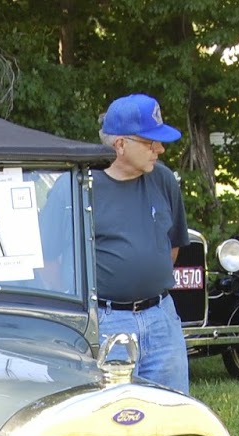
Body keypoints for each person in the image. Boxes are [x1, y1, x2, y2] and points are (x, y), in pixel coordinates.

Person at [90, 93, 190, 393]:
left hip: (162, 318)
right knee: (114, 415)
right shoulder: (84, 187)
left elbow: (172, 246)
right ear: (120, 144)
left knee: (172, 414)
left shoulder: (162, 179)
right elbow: (58, 265)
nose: (159, 149)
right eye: (150, 142)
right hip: (108, 321)